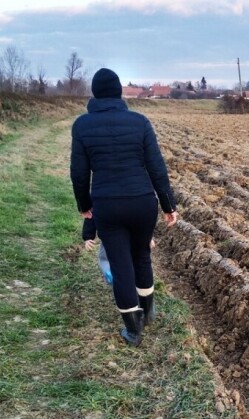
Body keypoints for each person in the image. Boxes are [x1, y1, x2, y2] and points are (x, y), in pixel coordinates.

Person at [70, 68, 178, 346]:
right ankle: (149, 311)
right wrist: (168, 205)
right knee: (141, 255)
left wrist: (85, 206)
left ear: (94, 94)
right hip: (143, 202)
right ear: (119, 92)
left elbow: (79, 173)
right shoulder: (139, 122)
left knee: (120, 263)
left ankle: (133, 330)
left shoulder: (82, 125)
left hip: (107, 204)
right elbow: (157, 167)